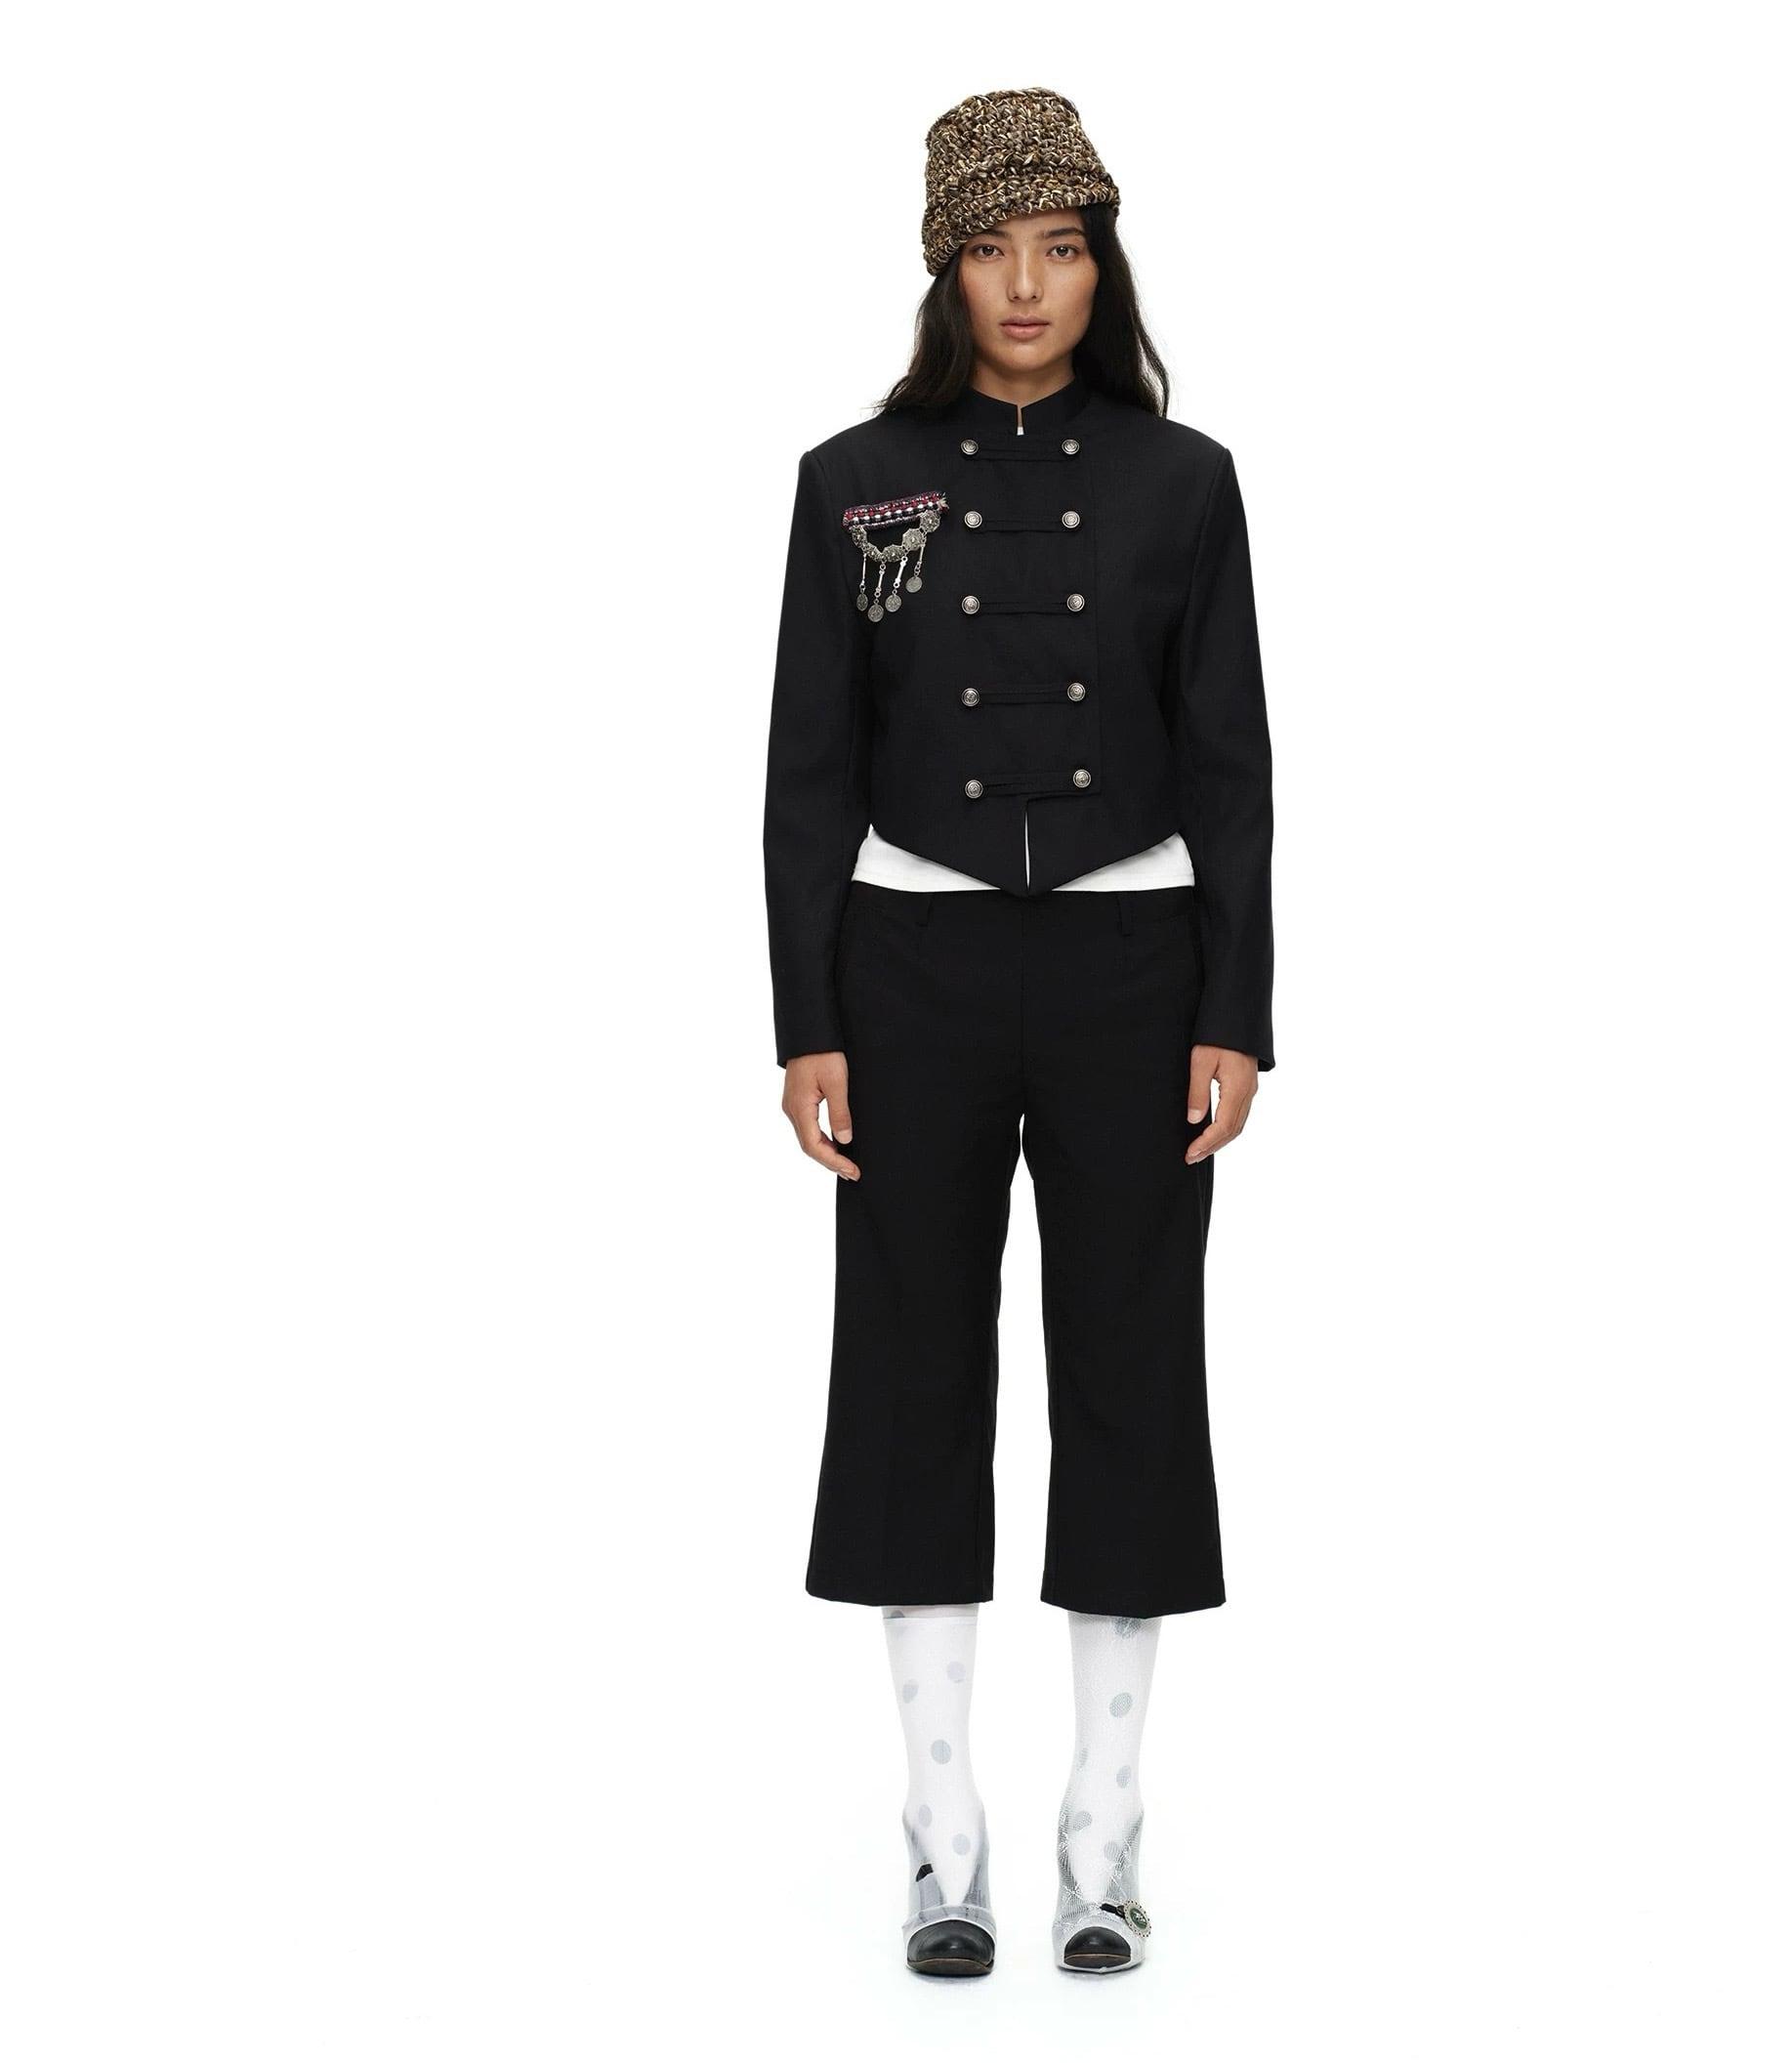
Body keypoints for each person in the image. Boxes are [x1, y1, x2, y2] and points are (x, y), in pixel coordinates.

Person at [761, 86, 1276, 1979]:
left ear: (1102, 262)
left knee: (1131, 1374)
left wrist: (1237, 1007)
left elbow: (1232, 764)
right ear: (945, 268)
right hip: (910, 968)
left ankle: (1104, 1847)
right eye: (993, 249)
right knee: (911, 1377)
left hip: (1136, 972)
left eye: (1061, 247)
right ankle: (944, 1851)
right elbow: (808, 770)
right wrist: (807, 1016)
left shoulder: (1186, 481)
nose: (1030, 284)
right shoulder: (852, 481)